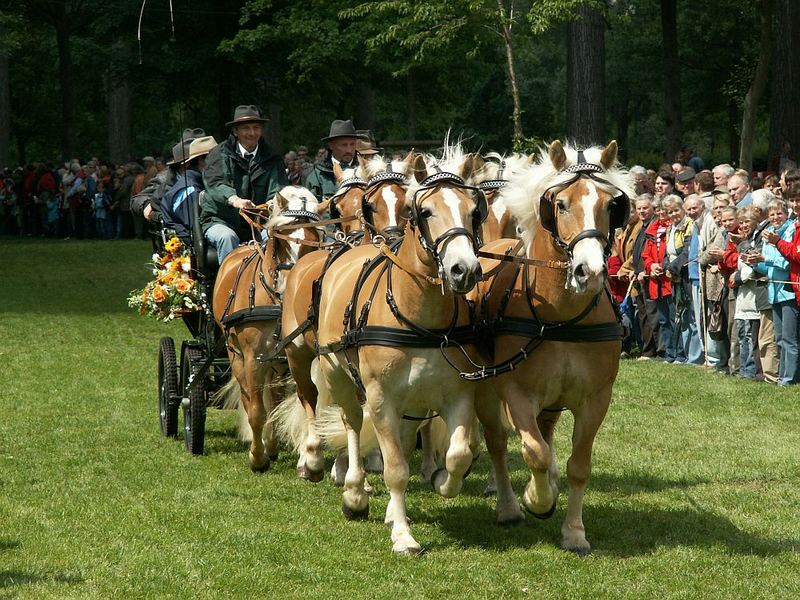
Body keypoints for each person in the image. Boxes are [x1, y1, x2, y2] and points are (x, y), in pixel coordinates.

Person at [201, 105, 287, 263]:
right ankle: (230, 285)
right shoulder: (218, 154)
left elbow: (278, 188)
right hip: (221, 221)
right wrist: (235, 200)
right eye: (246, 128)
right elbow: (215, 184)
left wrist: (272, 202)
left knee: (274, 236)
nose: (252, 133)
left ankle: (269, 283)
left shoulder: (273, 157)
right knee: (227, 237)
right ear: (235, 131)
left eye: (256, 128)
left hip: (260, 222)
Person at [748, 199, 798, 385]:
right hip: (774, 291)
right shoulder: (772, 233)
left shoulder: (790, 230)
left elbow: (787, 263)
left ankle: (790, 379)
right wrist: (754, 262)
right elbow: (770, 268)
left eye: (779, 213)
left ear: (786, 214)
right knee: (779, 338)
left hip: (788, 290)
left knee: (789, 339)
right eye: (772, 215)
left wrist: (765, 258)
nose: (776, 217)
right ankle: (782, 377)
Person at [161, 136, 216, 243]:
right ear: (201, 160)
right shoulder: (190, 189)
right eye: (216, 158)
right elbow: (193, 228)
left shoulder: (200, 181)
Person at [642, 197, 676, 362]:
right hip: (656, 281)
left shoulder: (672, 228)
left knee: (673, 318)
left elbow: (671, 252)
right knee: (663, 320)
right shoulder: (652, 229)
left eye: (664, 210)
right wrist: (651, 266)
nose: (661, 213)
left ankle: (679, 354)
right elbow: (646, 255)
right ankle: (669, 354)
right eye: (658, 210)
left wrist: (661, 265)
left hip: (669, 279)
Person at [305, 119, 365, 201]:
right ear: (331, 146)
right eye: (344, 145)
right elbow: (312, 208)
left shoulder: (365, 171)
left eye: (352, 144)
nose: (349, 150)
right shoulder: (317, 175)